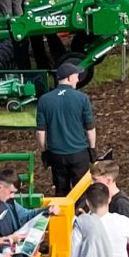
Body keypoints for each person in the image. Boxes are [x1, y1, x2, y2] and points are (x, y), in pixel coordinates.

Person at [34, 60, 96, 194]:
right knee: (82, 192)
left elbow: (40, 132)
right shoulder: (82, 98)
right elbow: (90, 128)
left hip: (57, 154)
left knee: (61, 191)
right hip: (79, 153)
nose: (78, 78)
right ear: (68, 78)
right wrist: (92, 149)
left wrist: (44, 152)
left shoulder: (44, 100)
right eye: (76, 76)